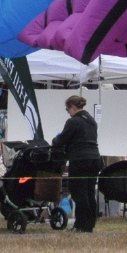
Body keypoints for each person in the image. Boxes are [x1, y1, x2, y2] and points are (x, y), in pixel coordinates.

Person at [52, 95, 103, 233]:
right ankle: (90, 224)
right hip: (95, 159)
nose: (68, 112)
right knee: (90, 192)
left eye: (68, 109)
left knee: (79, 193)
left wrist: (54, 140)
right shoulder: (91, 121)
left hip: (80, 159)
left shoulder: (73, 122)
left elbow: (61, 140)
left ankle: (80, 225)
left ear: (73, 108)